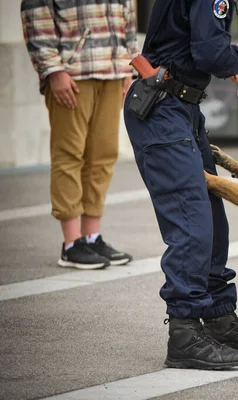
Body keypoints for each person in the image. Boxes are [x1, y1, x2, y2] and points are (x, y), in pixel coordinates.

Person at [123, 0, 238, 370]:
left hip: (181, 107)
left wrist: (230, 57)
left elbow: (194, 47)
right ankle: (184, 334)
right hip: (164, 109)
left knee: (210, 217)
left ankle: (218, 318)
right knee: (191, 221)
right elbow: (210, 52)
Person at [21, 0, 135, 270]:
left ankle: (91, 237)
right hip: (72, 73)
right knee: (69, 154)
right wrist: (53, 70)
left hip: (113, 71)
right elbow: (35, 14)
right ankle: (71, 243)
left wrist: (129, 66)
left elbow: (128, 18)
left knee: (103, 155)